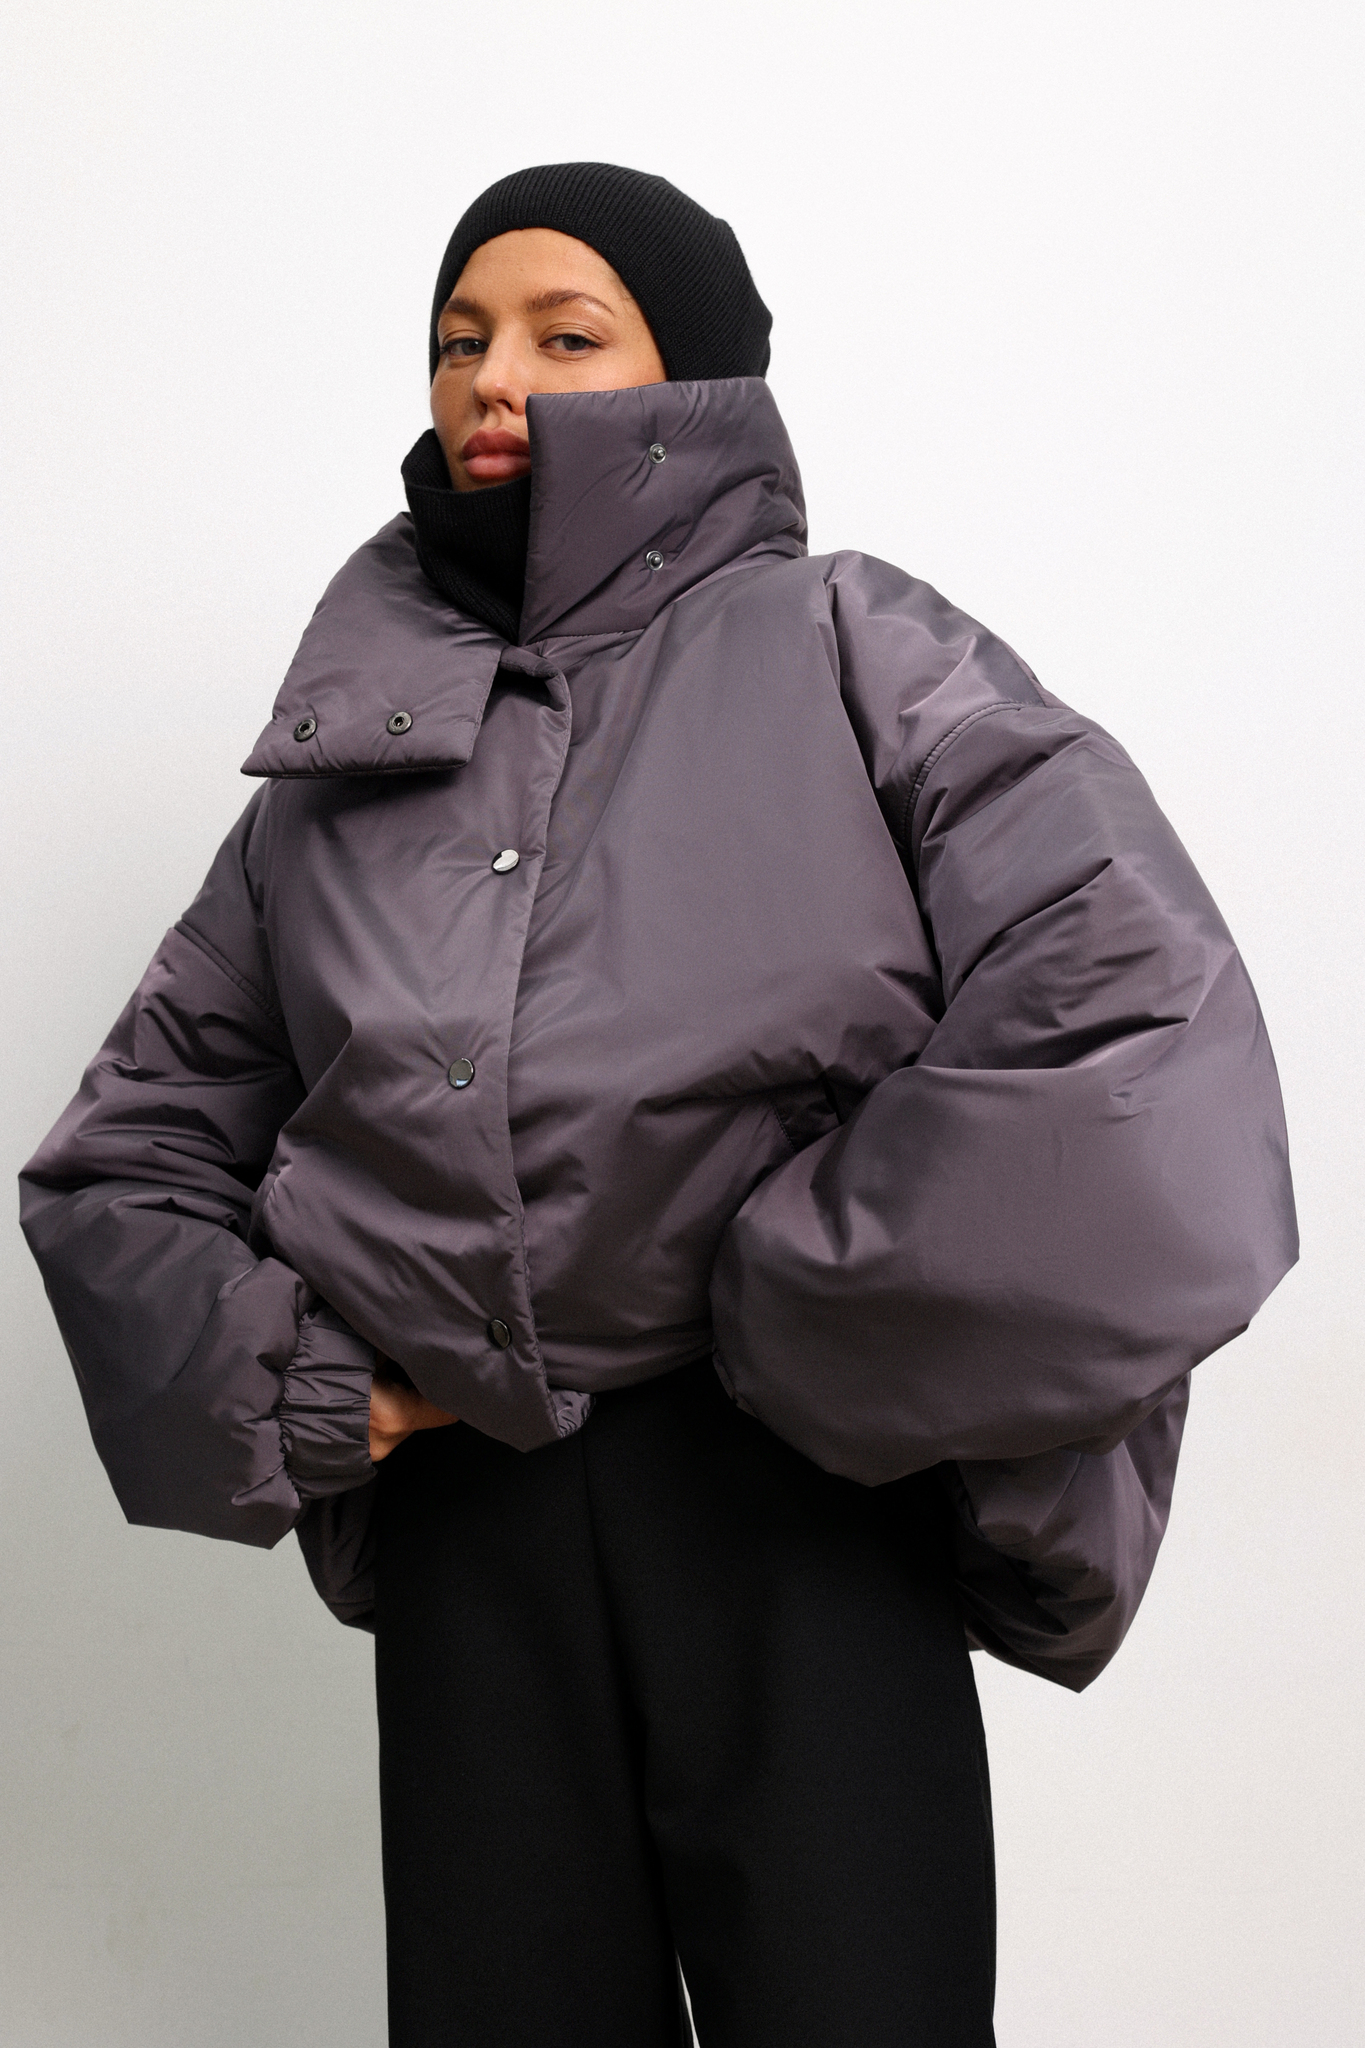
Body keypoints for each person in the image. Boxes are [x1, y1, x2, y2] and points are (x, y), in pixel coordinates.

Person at [19, 163, 1297, 2047]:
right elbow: (125, 1156)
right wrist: (306, 1382)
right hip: (471, 1528)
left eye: (565, 335)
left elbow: (1133, 1011)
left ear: (689, 379)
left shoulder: (855, 650)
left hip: (799, 1493)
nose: (492, 380)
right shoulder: (337, 772)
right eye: (459, 339)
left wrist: (808, 1303)